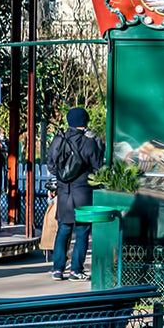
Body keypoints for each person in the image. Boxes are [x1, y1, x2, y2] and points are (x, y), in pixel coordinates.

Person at [47, 106, 105, 282]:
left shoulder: (59, 140)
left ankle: (57, 269)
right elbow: (98, 168)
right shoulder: (88, 143)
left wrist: (63, 177)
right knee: (82, 231)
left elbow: (50, 164)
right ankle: (75, 270)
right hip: (83, 192)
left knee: (63, 229)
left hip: (64, 192)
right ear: (85, 122)